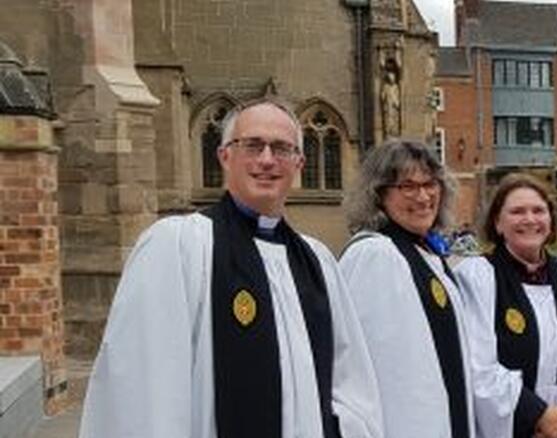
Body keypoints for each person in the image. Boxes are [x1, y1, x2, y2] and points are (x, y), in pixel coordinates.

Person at [80, 99, 383, 437]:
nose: (267, 160)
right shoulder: (177, 246)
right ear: (224, 155)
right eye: (253, 145)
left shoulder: (318, 262)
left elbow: (351, 380)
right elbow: (143, 385)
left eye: (282, 148)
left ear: (299, 162)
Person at [337, 139, 474, 438]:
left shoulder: (426, 255)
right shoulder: (375, 255)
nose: (424, 196)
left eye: (430, 184)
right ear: (379, 194)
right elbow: (365, 371)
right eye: (408, 187)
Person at [455, 174, 557, 438]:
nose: (530, 219)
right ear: (497, 222)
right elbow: (478, 365)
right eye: (517, 211)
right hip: (513, 424)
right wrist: (538, 416)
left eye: (539, 211)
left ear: (551, 221)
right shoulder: (478, 276)